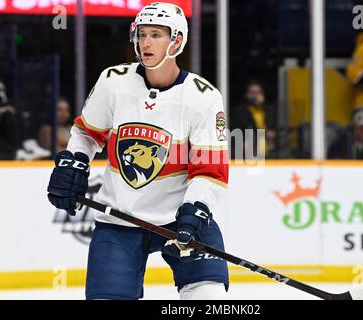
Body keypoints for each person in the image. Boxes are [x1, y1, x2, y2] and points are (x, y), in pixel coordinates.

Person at [46, 2, 229, 300]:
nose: (146, 42)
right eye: (142, 34)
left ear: (177, 40)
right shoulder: (113, 82)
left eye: (156, 34)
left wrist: (196, 209)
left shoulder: (203, 98)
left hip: (181, 218)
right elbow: (87, 132)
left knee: (209, 296)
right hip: (120, 218)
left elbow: (210, 169)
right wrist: (74, 163)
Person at [0, 57, 50, 160]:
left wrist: (4, 108)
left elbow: (2, 101)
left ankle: (27, 144)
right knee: (8, 113)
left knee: (13, 110)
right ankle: (19, 149)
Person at [230, 81, 276, 159]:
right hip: (248, 152)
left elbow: (273, 128)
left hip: (267, 151)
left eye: (258, 92)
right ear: (246, 94)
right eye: (252, 92)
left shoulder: (268, 110)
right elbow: (235, 132)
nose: (255, 95)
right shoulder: (240, 112)